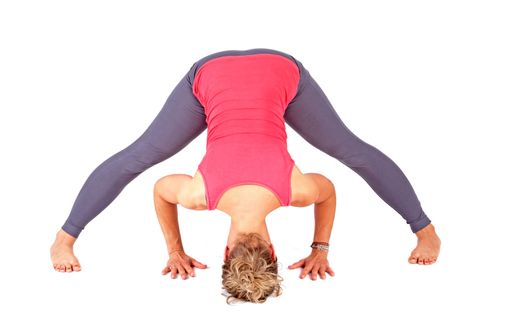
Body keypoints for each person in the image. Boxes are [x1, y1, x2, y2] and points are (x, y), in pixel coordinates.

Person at [50, 48, 441, 278]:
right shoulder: (198, 196)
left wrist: (321, 247)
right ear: (223, 253)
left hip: (276, 69)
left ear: (274, 250)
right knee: (141, 157)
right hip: (218, 73)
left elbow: (329, 192)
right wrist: (174, 251)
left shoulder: (297, 191)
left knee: (352, 152)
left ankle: (426, 232)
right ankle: (63, 241)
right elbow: (160, 192)